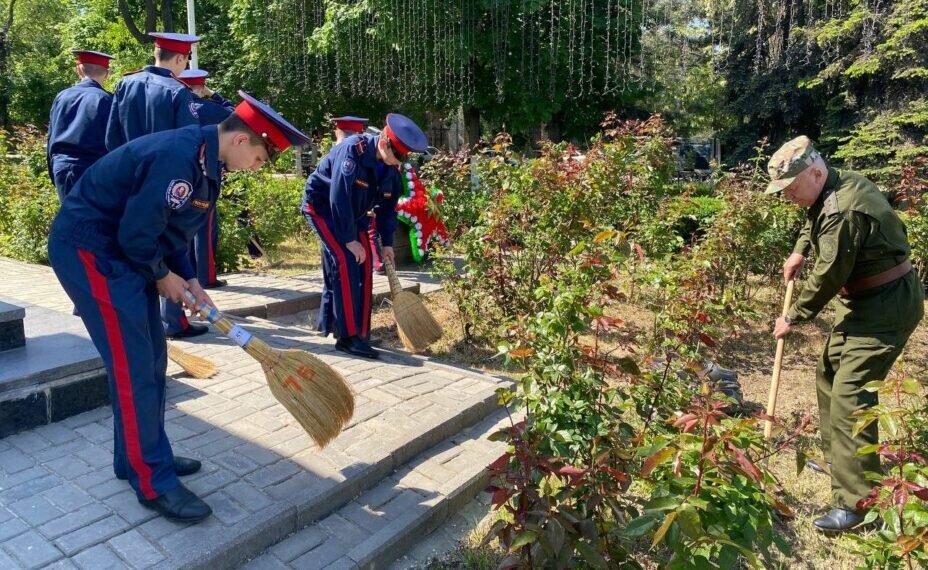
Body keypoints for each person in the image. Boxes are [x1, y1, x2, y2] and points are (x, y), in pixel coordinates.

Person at [47, 91, 310, 523]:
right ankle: (153, 481)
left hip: (123, 252)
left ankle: (135, 457)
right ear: (242, 141)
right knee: (134, 365)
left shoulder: (209, 161)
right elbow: (137, 234)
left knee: (152, 360)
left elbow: (173, 228)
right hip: (91, 252)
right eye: (262, 159)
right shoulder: (178, 157)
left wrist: (188, 278)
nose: (259, 169)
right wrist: (161, 275)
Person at [767, 136, 924, 533]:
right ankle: (843, 463)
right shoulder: (836, 182)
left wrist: (794, 317)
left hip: (886, 305)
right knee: (829, 373)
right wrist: (800, 249)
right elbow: (812, 218)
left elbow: (829, 274)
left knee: (852, 396)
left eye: (791, 188)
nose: (788, 197)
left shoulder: (843, 210)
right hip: (864, 300)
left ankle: (858, 505)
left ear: (815, 172)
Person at [106, 31, 208, 339]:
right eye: (185, 59)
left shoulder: (125, 84)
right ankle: (174, 320)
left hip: (126, 184)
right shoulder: (179, 93)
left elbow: (112, 139)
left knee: (131, 251)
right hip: (166, 187)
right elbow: (191, 147)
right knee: (173, 245)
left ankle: (136, 324)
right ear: (179, 58)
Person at [302, 113, 427, 358]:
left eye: (404, 157)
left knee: (366, 263)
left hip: (354, 213)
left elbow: (388, 208)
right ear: (383, 143)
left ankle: (359, 332)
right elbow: (338, 197)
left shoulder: (391, 168)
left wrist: (387, 244)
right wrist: (349, 240)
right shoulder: (352, 152)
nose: (399, 162)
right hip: (323, 208)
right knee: (346, 260)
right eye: (398, 156)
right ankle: (347, 338)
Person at [179, 69, 235, 289]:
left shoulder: (176, 105)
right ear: (202, 88)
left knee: (183, 225)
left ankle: (187, 272)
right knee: (205, 224)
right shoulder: (212, 109)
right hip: (206, 173)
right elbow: (236, 115)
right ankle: (206, 277)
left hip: (181, 173)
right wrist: (215, 95)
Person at [46, 49, 114, 201]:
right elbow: (113, 141)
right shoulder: (107, 100)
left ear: (78, 70)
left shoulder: (62, 96)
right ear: (107, 73)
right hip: (93, 167)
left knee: (68, 218)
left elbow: (51, 136)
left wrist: (54, 169)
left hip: (62, 165)